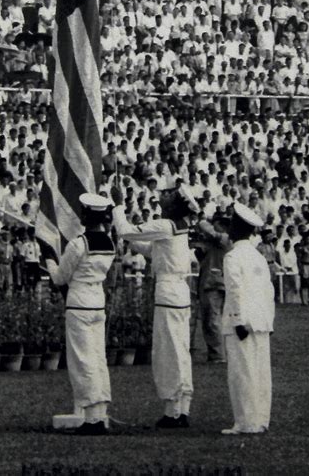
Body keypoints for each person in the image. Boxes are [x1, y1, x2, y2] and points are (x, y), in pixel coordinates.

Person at [112, 186, 199, 429]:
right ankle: (182, 407)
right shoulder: (178, 227)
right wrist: (132, 241)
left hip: (169, 292)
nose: (164, 197)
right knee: (180, 350)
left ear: (175, 205)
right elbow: (155, 250)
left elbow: (125, 229)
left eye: (169, 196)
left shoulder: (165, 225)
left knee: (168, 351)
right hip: (179, 292)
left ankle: (173, 411)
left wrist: (118, 206)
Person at [46, 193, 115, 435]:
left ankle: (92, 418)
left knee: (83, 360)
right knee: (98, 358)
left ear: (87, 216)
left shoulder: (79, 244)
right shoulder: (109, 243)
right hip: (97, 302)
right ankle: (99, 411)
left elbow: (59, 277)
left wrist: (50, 260)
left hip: (79, 304)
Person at [221, 202, 274, 435]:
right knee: (260, 372)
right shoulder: (258, 256)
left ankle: (245, 422)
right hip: (261, 320)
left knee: (242, 372)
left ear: (236, 229)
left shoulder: (233, 256)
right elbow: (268, 291)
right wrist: (268, 320)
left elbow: (234, 289)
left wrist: (237, 320)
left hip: (243, 322)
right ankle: (260, 419)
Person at [196, 213, 232, 363]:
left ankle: (218, 355)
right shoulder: (217, 242)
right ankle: (215, 353)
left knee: (213, 320)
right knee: (210, 320)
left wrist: (203, 219)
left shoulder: (224, 238)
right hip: (212, 282)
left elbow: (206, 227)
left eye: (215, 223)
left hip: (215, 284)